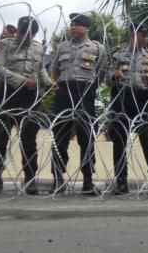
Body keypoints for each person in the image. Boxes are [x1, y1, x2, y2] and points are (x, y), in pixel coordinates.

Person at [0, 16, 53, 195]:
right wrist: (23, 81)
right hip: (7, 95)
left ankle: (30, 180)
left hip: (30, 98)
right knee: (0, 138)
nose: (27, 38)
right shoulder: (5, 45)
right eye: (24, 33)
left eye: (31, 35)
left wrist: (48, 82)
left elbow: (40, 69)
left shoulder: (38, 47)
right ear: (18, 30)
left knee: (29, 140)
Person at [48, 13, 108, 195]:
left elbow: (102, 72)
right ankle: (58, 178)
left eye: (77, 24)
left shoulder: (97, 48)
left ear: (86, 28)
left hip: (85, 92)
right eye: (72, 24)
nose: (73, 27)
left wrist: (90, 89)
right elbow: (55, 69)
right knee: (60, 137)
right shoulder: (63, 47)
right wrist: (62, 84)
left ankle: (88, 180)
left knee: (86, 137)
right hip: (65, 92)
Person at [107, 22, 148, 195]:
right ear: (133, 35)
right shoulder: (118, 56)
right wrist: (114, 76)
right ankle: (121, 181)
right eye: (142, 35)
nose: (145, 39)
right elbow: (107, 79)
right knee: (119, 141)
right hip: (122, 98)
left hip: (142, 98)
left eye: (146, 35)